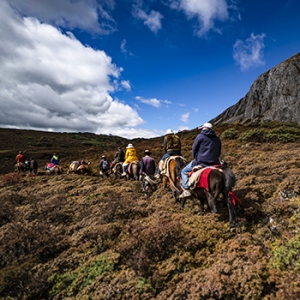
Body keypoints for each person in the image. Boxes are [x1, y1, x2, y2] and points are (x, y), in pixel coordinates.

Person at [179, 122, 222, 199]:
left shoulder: (200, 136)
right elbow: (219, 151)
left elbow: (194, 149)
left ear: (205, 128)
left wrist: (196, 158)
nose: (202, 129)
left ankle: (186, 189)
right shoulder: (217, 138)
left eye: (202, 128)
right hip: (215, 162)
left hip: (201, 162)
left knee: (184, 171)